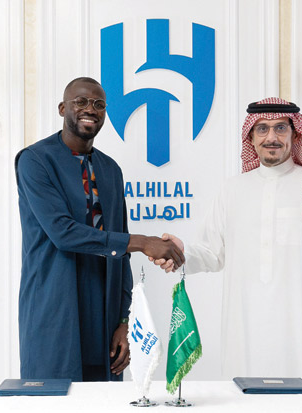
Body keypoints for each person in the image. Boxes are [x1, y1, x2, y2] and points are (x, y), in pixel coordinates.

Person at [153, 97, 302, 381]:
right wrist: (181, 252)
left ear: (296, 135)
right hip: (243, 330)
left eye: (280, 128)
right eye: (262, 129)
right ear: (250, 137)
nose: (271, 137)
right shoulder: (233, 189)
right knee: (244, 396)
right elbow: (212, 253)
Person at [15, 77, 184, 382]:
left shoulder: (110, 169)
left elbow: (121, 254)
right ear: (62, 108)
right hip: (54, 305)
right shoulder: (35, 161)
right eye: (80, 101)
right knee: (52, 397)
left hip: (104, 313)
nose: (90, 109)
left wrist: (123, 321)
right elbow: (63, 233)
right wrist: (142, 242)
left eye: (99, 104)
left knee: (104, 397)